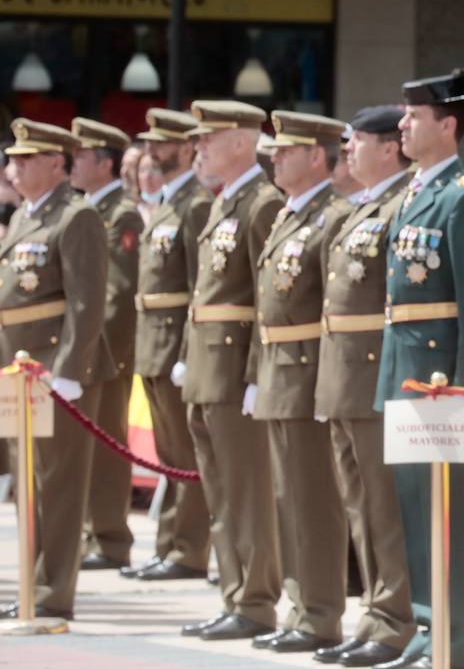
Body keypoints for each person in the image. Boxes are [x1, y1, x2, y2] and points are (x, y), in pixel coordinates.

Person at [377, 69, 464, 669]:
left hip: (441, 384)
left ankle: (453, 640)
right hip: (407, 377)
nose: (402, 124)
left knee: (448, 517)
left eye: (413, 116)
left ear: (447, 124)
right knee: (416, 514)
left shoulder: (463, 196)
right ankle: (427, 626)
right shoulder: (414, 192)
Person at [179, 100, 284, 642]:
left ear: (242, 142)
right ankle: (235, 595)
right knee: (221, 495)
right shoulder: (223, 202)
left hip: (233, 366)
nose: (198, 146)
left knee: (247, 493)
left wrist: (255, 374)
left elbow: (270, 300)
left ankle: (258, 599)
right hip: (206, 366)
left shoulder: (262, 203)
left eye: (209, 138)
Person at [316, 106, 417, 667]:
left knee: (384, 505)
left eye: (356, 143)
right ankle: (377, 611)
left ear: (387, 148)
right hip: (345, 374)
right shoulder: (362, 208)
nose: (347, 152)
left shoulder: (401, 204)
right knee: (360, 504)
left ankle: (396, 617)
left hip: (377, 371)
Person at [251, 111, 354, 654]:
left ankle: (320, 612)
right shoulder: (290, 216)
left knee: (314, 501)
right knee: (288, 500)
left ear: (317, 156)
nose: (274, 159)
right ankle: (299, 606)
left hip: (310, 373)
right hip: (277, 373)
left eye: (286, 150)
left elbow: (334, 310)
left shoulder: (333, 216)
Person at [0, 120, 111, 621]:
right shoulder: (26, 216)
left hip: (52, 369)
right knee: (28, 484)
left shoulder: (76, 216)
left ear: (55, 163)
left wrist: (70, 369)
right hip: (18, 370)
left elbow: (87, 304)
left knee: (58, 484)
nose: (13, 168)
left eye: (25, 160)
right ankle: (30, 583)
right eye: (13, 160)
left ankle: (52, 592)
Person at [125, 109, 212, 582]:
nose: (154, 153)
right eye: (152, 145)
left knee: (185, 455)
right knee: (168, 455)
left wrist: (186, 353)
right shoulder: (165, 203)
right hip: (153, 340)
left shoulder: (196, 205)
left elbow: (201, 286)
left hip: (176, 339)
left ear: (187, 148)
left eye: (164, 144)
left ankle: (188, 549)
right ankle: (168, 545)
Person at [68, 118, 143, 575]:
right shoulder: (85, 209)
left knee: (108, 444)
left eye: (80, 157)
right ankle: (91, 531)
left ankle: (110, 535)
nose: (71, 164)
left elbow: (117, 291)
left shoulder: (122, 214)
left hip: (108, 351)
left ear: (105, 163)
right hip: (86, 348)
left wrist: (98, 351)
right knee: (83, 446)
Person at [136, 149, 165, 223]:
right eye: (142, 170)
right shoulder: (132, 204)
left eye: (155, 169)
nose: (147, 176)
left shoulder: (169, 201)